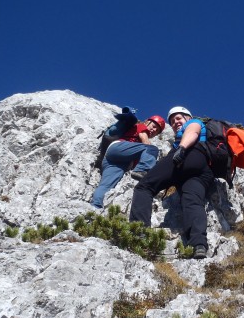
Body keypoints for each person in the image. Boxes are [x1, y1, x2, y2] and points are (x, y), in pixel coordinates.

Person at [129, 106, 214, 259]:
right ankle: (198, 245)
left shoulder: (194, 122)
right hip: (203, 170)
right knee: (193, 202)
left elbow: (192, 131)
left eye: (178, 118)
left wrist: (181, 148)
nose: (175, 122)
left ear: (188, 117)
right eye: (172, 121)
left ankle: (138, 232)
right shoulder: (201, 135)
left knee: (144, 186)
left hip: (188, 155)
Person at [91, 115, 166, 209]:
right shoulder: (141, 126)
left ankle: (95, 206)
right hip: (118, 148)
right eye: (154, 126)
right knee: (152, 149)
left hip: (113, 160)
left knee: (106, 185)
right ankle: (141, 171)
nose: (154, 130)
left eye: (157, 131)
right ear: (147, 122)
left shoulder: (139, 148)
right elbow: (144, 138)